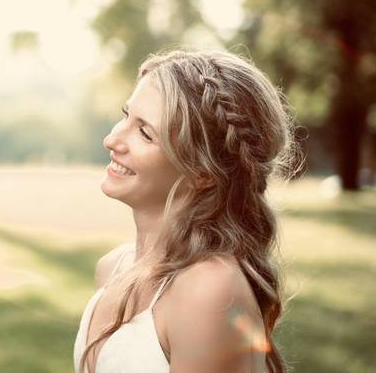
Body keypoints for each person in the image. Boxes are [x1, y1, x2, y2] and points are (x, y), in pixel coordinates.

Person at [74, 49, 298, 373]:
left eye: (145, 132)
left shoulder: (210, 290)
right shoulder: (112, 269)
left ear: (202, 172)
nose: (112, 139)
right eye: (126, 116)